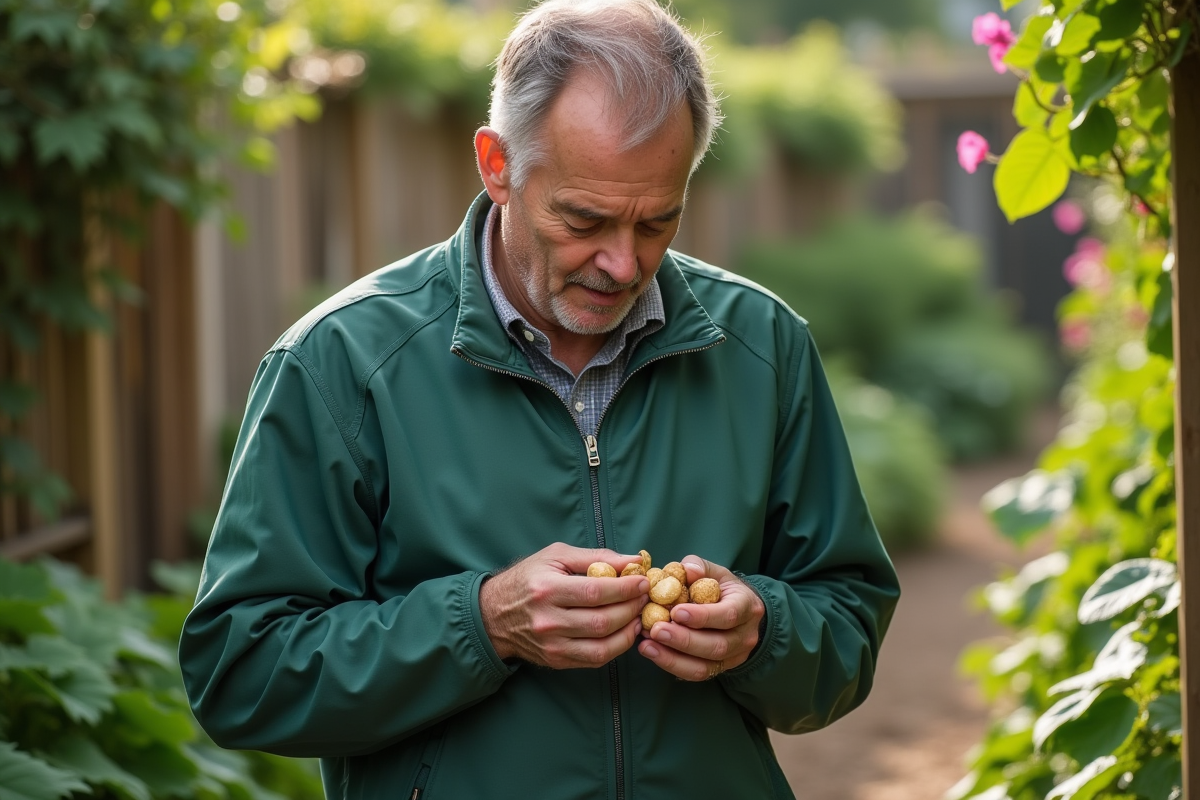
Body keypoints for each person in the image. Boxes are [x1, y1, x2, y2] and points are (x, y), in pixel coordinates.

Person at [179, 1, 900, 797]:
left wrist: (763, 633)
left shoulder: (762, 346)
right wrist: (483, 623)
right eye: (584, 219)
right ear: (497, 164)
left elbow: (848, 625)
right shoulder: (340, 362)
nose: (622, 265)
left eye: (656, 223)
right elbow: (241, 674)